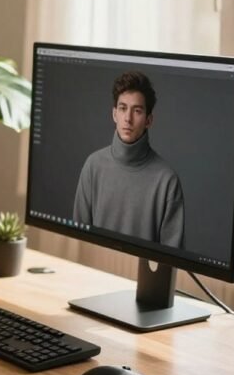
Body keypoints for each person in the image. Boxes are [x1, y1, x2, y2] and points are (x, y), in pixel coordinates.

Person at [73, 71, 185, 248]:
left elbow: (171, 263)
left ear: (149, 120)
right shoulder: (93, 166)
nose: (128, 118)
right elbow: (78, 240)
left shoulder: (167, 180)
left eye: (137, 110)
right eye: (123, 108)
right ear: (114, 114)